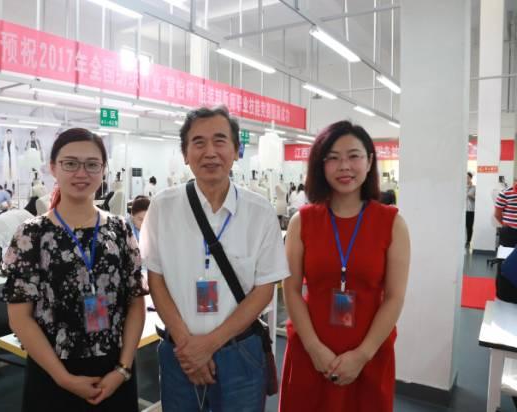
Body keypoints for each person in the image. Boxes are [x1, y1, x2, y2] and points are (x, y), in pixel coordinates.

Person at [140, 106, 289, 411]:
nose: (210, 152)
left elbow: (264, 290)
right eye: (198, 142)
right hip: (179, 351)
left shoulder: (259, 212)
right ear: (185, 153)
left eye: (220, 141)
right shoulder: (163, 207)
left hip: (239, 353)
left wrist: (207, 345)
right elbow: (156, 280)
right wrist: (188, 346)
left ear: (236, 150)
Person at [1, 128, 147, 411]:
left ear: (103, 170)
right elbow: (20, 318)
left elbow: (135, 304)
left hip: (115, 369)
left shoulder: (120, 229)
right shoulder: (31, 234)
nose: (82, 173)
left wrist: (123, 369)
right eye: (70, 163)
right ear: (53, 167)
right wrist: (63, 378)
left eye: (92, 164)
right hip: (52, 371)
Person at [279, 120, 410, 412]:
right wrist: (314, 348)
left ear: (370, 161)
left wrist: (362, 355)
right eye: (333, 158)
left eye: (354, 156)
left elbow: (395, 297)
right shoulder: (303, 221)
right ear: (321, 165)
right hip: (310, 352)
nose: (344, 166)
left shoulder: (392, 223)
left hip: (368, 354)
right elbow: (291, 290)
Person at [495, 177, 517, 247]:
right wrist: (505, 224)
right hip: (509, 232)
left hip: (508, 229)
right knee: (507, 252)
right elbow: (497, 214)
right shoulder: (505, 193)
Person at [466, 172, 475, 247]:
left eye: (468, 178)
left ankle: (468, 241)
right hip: (462, 210)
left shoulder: (474, 187)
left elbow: (477, 199)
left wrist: (471, 196)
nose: (466, 179)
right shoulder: (462, 187)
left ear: (470, 178)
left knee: (469, 226)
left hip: (470, 210)